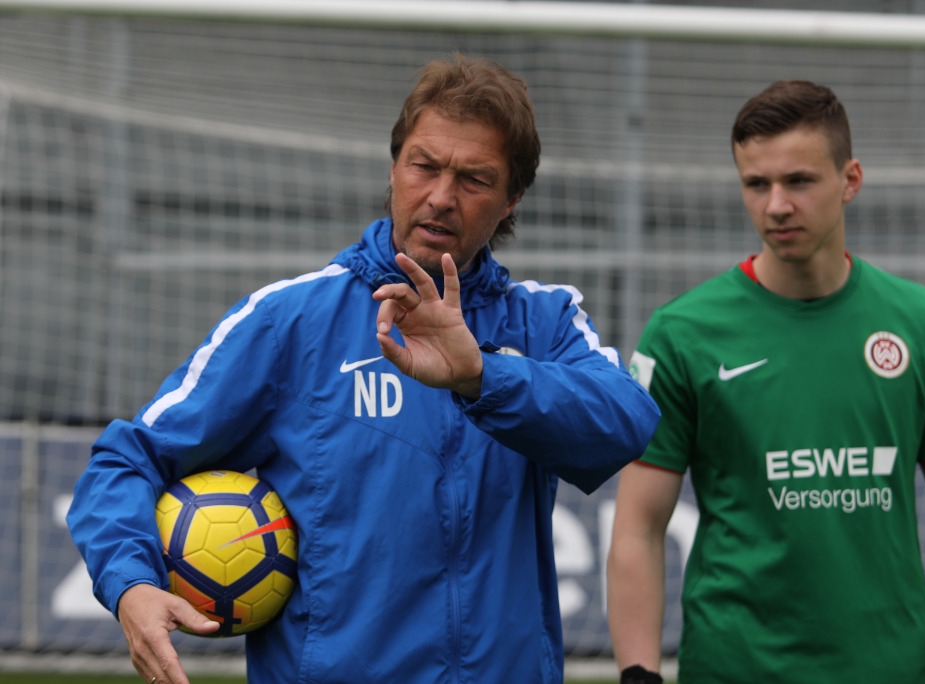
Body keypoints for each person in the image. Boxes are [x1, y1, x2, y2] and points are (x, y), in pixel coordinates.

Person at [67, 52, 660, 684]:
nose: (441, 197)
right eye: (424, 166)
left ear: (512, 198)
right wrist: (131, 585)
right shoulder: (289, 321)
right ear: (395, 166)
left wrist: (481, 377)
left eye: (474, 179)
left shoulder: (543, 321)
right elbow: (126, 461)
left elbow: (626, 421)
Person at [606, 79, 925, 684]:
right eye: (756, 184)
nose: (776, 205)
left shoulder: (918, 322)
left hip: (889, 668)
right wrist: (638, 671)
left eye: (799, 181)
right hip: (734, 669)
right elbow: (637, 527)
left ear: (851, 180)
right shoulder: (681, 333)